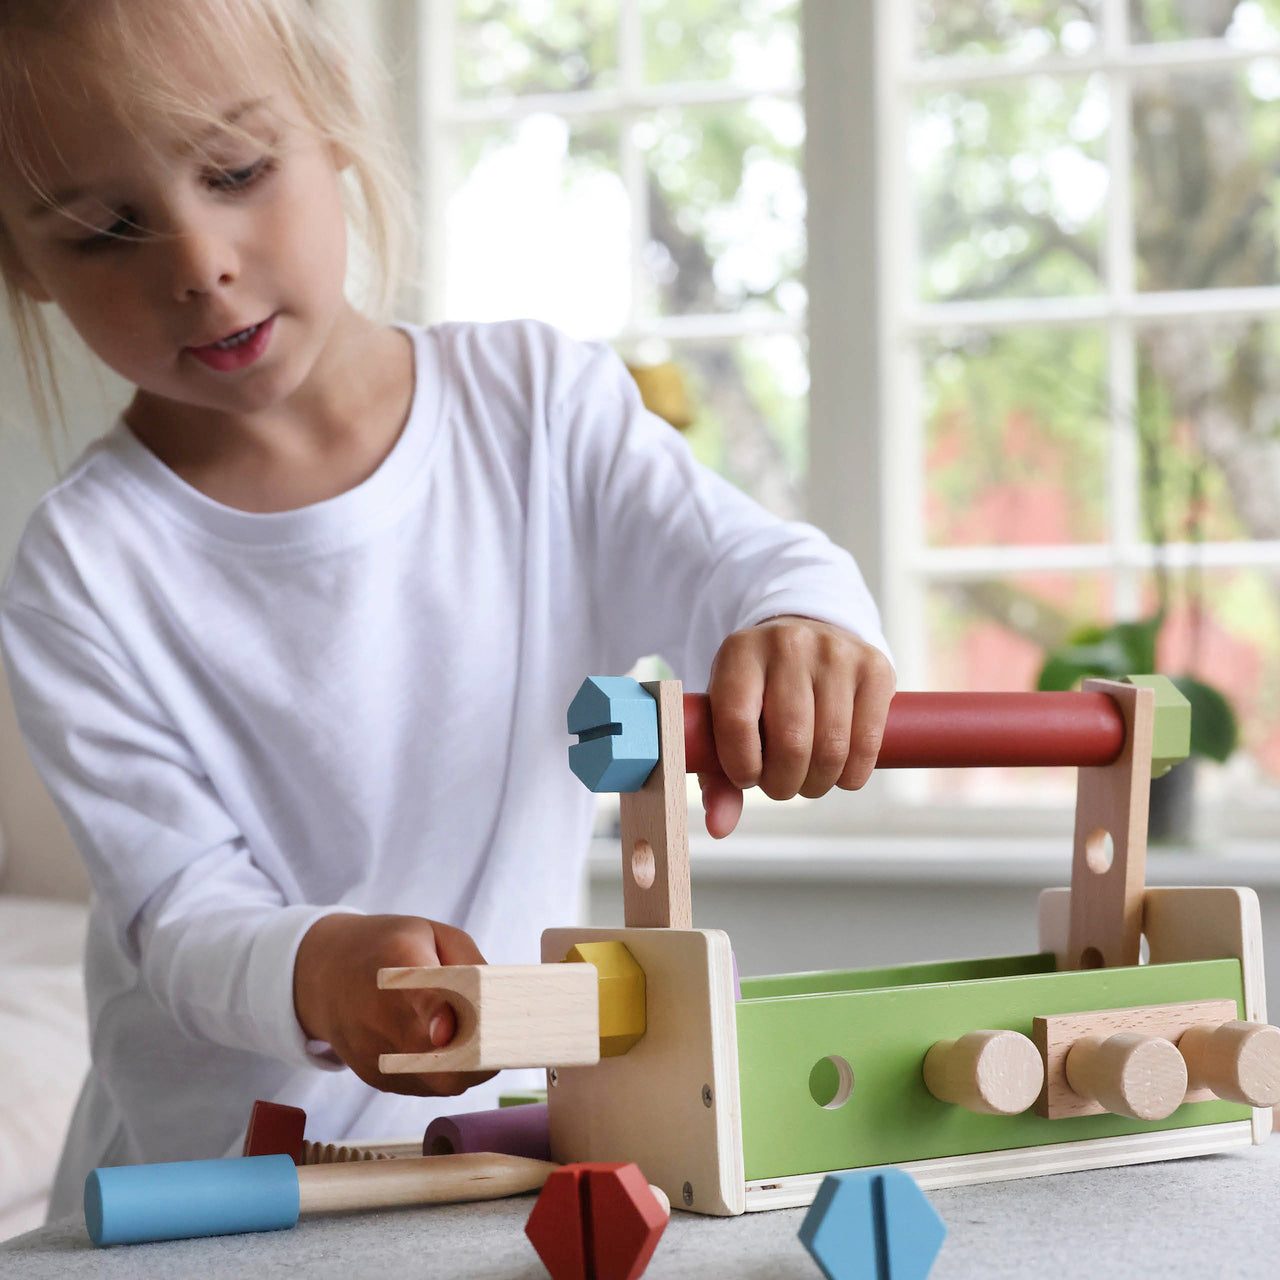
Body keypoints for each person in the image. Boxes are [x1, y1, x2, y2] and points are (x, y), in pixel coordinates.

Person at [0, 0, 894, 1221]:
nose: (197, 262)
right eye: (106, 229)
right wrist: (319, 969)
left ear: (335, 127)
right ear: (23, 266)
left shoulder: (538, 411)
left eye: (238, 169)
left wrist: (804, 624)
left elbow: (745, 562)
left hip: (497, 1164)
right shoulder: (80, 569)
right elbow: (180, 913)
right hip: (200, 1199)